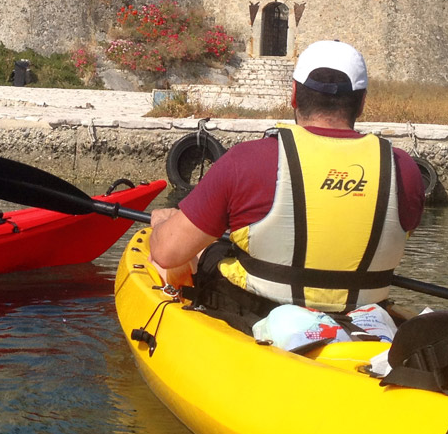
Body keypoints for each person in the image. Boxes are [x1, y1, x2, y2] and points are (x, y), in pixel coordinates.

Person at [148, 40, 424, 337]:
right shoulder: (403, 168)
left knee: (194, 246)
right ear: (362, 102)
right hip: (361, 320)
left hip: (254, 318)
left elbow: (167, 253)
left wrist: (161, 222)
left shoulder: (248, 161)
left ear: (293, 95)